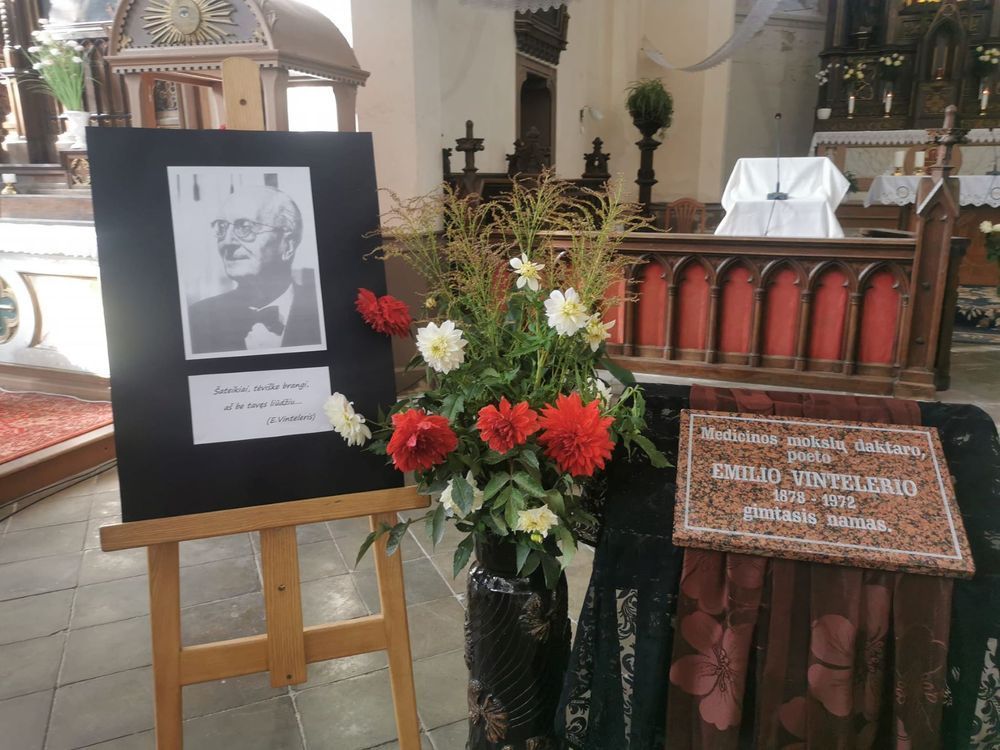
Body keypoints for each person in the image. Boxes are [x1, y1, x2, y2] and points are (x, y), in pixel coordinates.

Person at [187, 186, 322, 354]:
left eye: (245, 227)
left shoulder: (321, 312)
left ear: (288, 245)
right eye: (221, 228)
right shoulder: (197, 319)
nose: (227, 242)